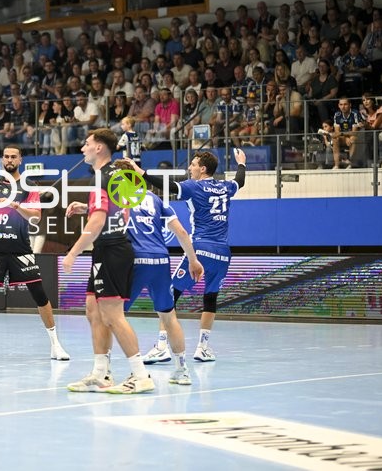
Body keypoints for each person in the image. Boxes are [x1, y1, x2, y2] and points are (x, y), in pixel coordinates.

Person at [62, 129, 154, 394]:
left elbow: (99, 221)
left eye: (87, 144)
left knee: (113, 315)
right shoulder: (116, 174)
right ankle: (101, 374)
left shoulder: (103, 178)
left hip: (113, 250)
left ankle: (141, 375)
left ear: (99, 148)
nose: (83, 148)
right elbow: (119, 210)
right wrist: (87, 208)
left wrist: (73, 252)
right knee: (93, 310)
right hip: (107, 249)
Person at [0, 146, 69, 361]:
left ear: (20, 160)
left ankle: (56, 345)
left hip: (20, 250)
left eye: (13, 157)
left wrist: (15, 205)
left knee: (40, 295)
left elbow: (35, 217)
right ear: (2, 160)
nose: (9, 160)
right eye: (6, 157)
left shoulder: (29, 187)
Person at [141, 149, 247, 363]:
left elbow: (168, 187)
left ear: (203, 169)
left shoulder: (194, 186)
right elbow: (240, 181)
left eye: (193, 164)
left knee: (169, 295)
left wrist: (141, 173)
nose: (190, 168)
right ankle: (203, 347)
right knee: (211, 297)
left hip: (200, 249)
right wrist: (242, 164)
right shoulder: (226, 187)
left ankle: (162, 346)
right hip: (223, 253)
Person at [113, 157, 203, 385]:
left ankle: (132, 371)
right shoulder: (155, 199)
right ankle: (182, 370)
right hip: (161, 262)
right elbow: (182, 232)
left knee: (113, 317)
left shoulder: (117, 198)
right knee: (168, 316)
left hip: (136, 262)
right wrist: (193, 261)